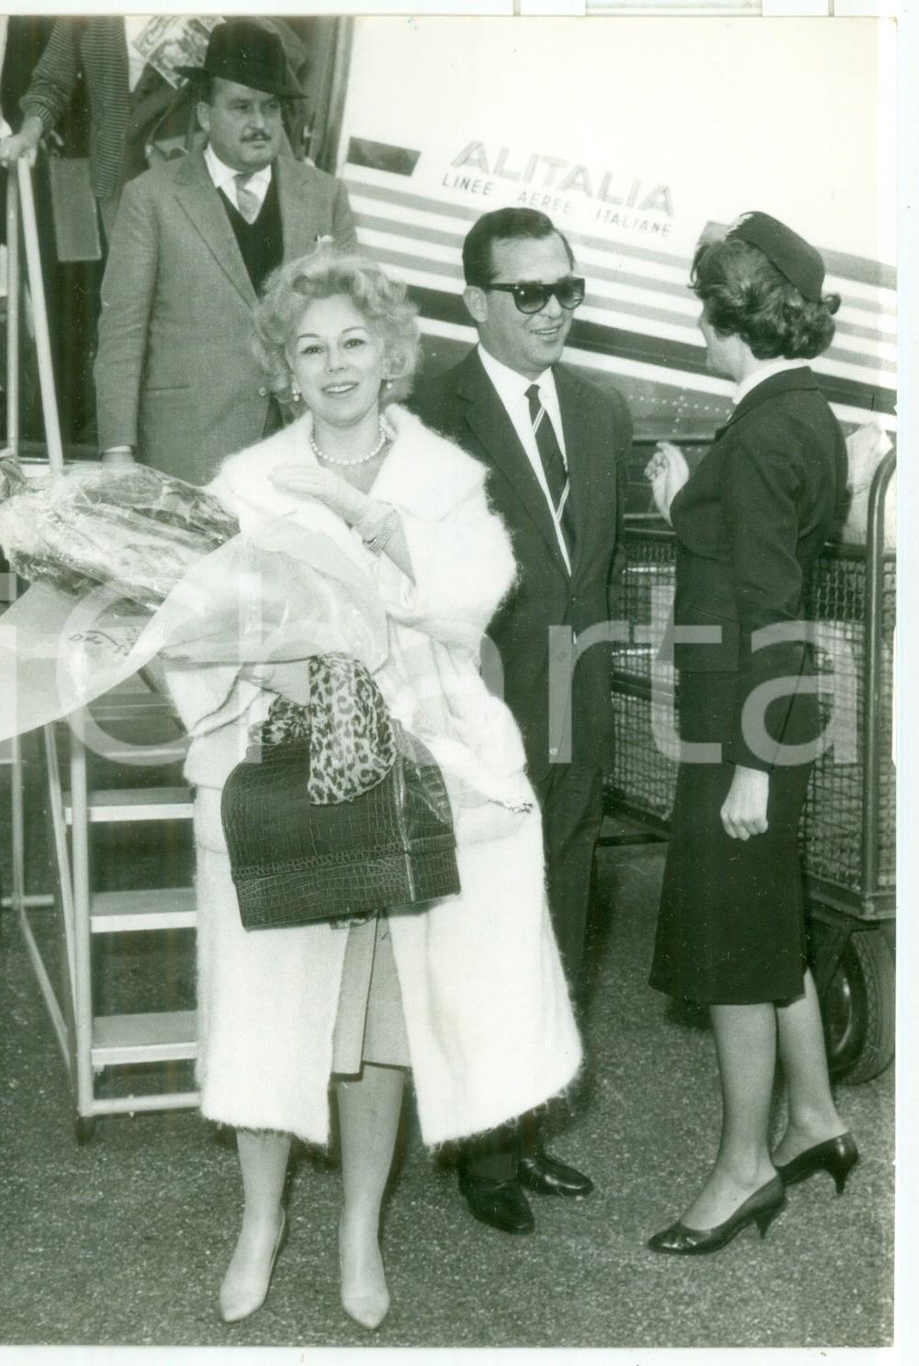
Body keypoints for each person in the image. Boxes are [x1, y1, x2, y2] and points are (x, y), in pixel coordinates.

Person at [163, 248, 582, 1327]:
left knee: (386, 1012)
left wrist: (388, 543)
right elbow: (187, 631)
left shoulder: (442, 477)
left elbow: (474, 601)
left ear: (390, 354)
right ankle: (260, 1222)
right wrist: (262, 666)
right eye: (310, 348)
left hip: (409, 765)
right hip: (277, 766)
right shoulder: (242, 485)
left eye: (355, 342)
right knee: (268, 1007)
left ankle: (359, 1233)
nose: (335, 364)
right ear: (282, 369)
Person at [411, 207, 632, 1235]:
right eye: (528, 293)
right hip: (479, 714)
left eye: (566, 289)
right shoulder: (427, 414)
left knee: (561, 918)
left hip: (576, 709)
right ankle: (483, 1154)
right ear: (475, 302)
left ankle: (528, 1125)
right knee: (485, 928)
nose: (554, 310)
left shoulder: (601, 412)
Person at [644, 212, 854, 1256]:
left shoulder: (766, 428)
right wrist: (695, 501)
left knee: (733, 948)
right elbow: (759, 552)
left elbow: (768, 601)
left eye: (702, 300)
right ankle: (813, 1115)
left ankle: (742, 1169)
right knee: (770, 922)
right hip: (758, 705)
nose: (696, 316)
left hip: (744, 715)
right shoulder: (803, 412)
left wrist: (749, 772)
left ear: (728, 315)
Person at [93, 20, 357, 484]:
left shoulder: (324, 196)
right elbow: (122, 331)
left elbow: (356, 325)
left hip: (302, 450)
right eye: (241, 107)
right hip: (189, 449)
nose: (259, 124)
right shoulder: (151, 198)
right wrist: (118, 452)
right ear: (204, 115)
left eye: (270, 108)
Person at [0, 15, 191, 237]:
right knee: (129, 268)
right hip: (115, 172)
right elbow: (51, 83)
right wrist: (29, 134)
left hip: (188, 168)